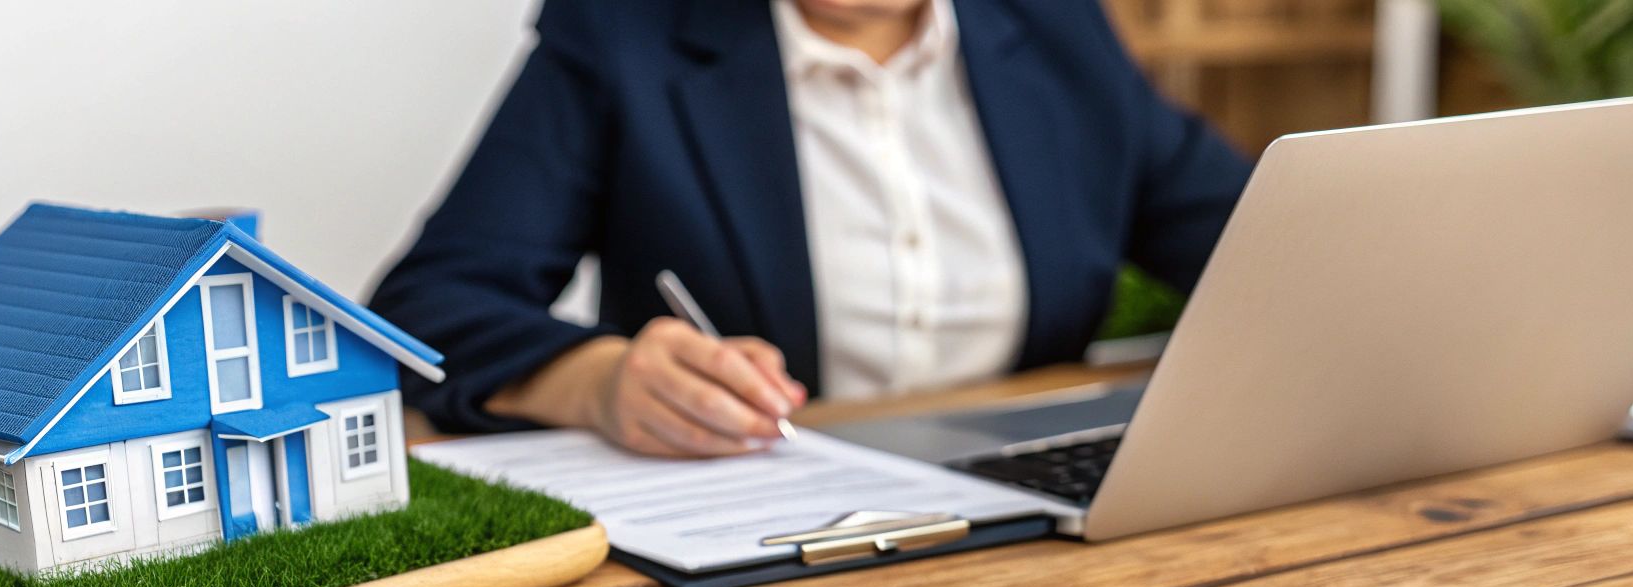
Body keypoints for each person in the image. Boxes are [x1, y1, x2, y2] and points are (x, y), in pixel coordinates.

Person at [369, 0, 1250, 456]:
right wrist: (598, 381)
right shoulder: (622, 31)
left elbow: (1256, 242)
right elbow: (431, 307)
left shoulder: (1053, 27)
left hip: (1035, 511)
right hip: (767, 533)